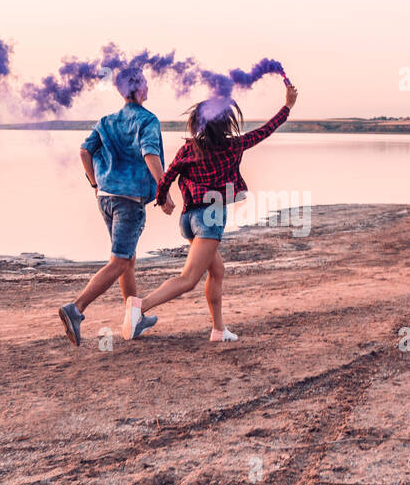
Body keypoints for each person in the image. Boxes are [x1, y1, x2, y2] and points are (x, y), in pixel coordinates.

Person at [124, 78, 298, 342]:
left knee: (217, 271)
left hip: (188, 219)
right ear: (225, 124)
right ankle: (140, 305)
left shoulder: (189, 148)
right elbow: (266, 130)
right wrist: (287, 106)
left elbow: (167, 176)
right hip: (210, 218)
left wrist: (163, 199)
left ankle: (218, 330)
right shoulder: (234, 145)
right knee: (189, 279)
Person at [58, 68, 174, 346]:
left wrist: (94, 183)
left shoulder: (107, 121)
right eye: (146, 83)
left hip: (105, 197)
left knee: (128, 259)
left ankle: (133, 320)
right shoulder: (148, 120)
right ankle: (76, 309)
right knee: (120, 261)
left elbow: (84, 151)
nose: (148, 87)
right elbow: (149, 153)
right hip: (129, 200)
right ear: (139, 90)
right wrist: (164, 189)